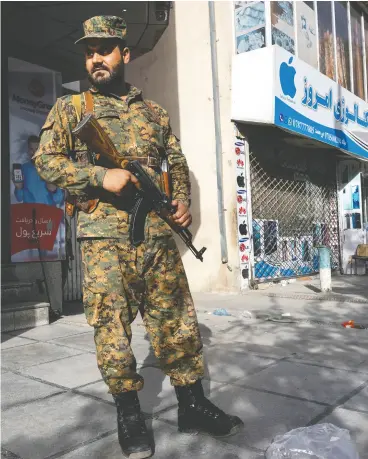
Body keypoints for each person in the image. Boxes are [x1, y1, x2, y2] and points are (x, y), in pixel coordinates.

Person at [33, 16, 243, 459]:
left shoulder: (153, 112)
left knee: (177, 319)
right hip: (103, 240)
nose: (96, 58)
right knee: (111, 328)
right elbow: (46, 162)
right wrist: (97, 174)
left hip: (156, 237)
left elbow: (177, 162)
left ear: (124, 54)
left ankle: (192, 403)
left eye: (105, 49)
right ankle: (129, 413)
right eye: (89, 51)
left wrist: (182, 201)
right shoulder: (72, 109)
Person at [13, 135, 64, 206]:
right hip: (28, 214)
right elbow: (19, 198)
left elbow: (58, 200)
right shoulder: (24, 168)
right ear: (28, 150)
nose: (34, 153)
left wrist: (54, 190)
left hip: (48, 214)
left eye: (37, 149)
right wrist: (18, 188)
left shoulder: (52, 168)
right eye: (31, 149)